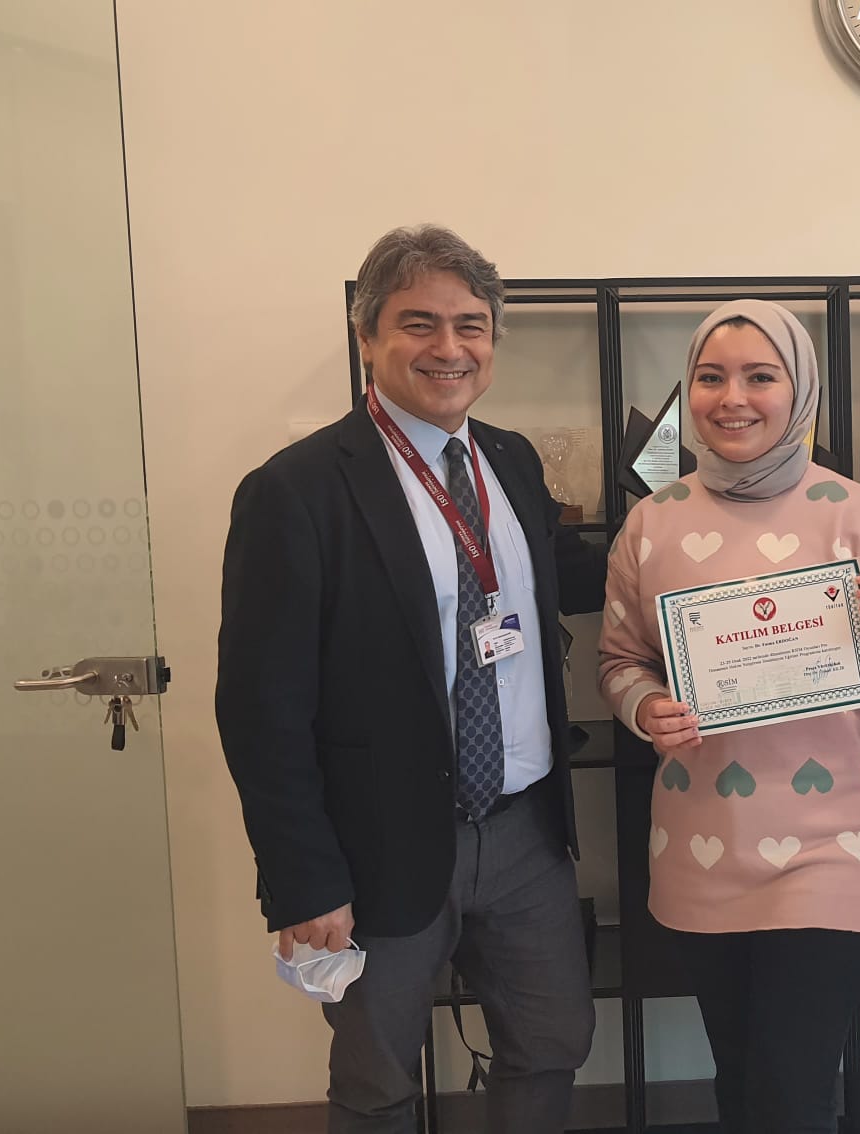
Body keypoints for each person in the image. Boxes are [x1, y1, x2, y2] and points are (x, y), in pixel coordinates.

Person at [216, 224, 606, 1133]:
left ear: (493, 341)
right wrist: (303, 878)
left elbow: (567, 579)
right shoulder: (298, 489)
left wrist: (707, 551)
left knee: (552, 1044)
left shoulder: (510, 459)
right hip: (377, 845)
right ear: (367, 338)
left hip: (525, 834)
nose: (449, 348)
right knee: (377, 1079)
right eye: (418, 323)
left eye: (471, 325)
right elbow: (260, 710)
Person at [597, 300, 860, 1133]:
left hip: (834, 845)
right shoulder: (651, 522)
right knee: (741, 1079)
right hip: (701, 844)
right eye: (711, 377)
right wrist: (647, 708)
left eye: (760, 376)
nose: (733, 398)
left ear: (799, 389)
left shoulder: (854, 512)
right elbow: (618, 662)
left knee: (792, 1092)